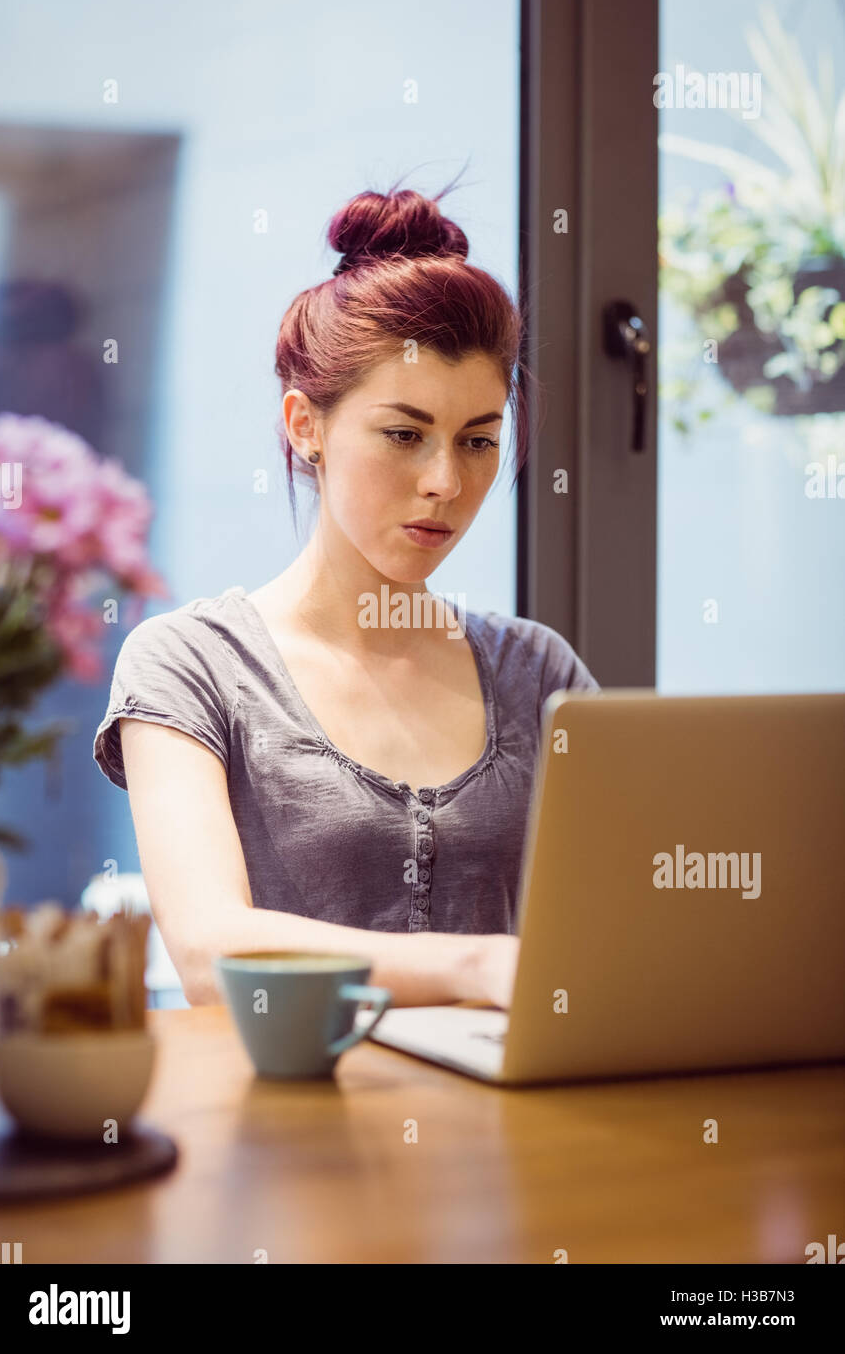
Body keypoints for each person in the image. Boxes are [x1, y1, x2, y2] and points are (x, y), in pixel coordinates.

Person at [93, 178, 599, 1011]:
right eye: (404, 435)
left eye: (478, 442)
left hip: (509, 1128)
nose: (445, 481)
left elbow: (611, 930)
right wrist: (477, 968)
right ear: (305, 426)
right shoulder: (191, 665)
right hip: (281, 1129)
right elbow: (209, 952)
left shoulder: (538, 672)